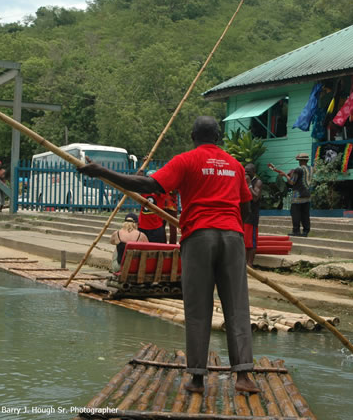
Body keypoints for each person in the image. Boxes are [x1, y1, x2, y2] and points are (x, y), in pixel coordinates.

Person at [78, 116, 260, 394]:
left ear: (192, 136)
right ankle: (244, 377)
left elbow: (148, 185)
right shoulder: (235, 165)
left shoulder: (185, 160)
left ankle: (198, 378)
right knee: (237, 308)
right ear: (219, 137)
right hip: (233, 237)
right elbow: (246, 208)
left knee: (198, 309)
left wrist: (101, 171)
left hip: (199, 237)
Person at [269, 153, 313, 237]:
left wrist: (285, 175)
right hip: (307, 195)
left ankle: (296, 231)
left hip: (298, 196)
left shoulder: (298, 169)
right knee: (305, 214)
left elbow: (292, 182)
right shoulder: (311, 169)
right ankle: (306, 231)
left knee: (295, 213)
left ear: (300, 161)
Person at [138, 170, 167, 244]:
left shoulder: (161, 192)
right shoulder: (143, 191)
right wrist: (139, 176)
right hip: (142, 226)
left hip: (156, 228)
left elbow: (158, 191)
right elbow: (135, 185)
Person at [244, 163, 262, 266]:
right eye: (245, 171)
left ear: (253, 172)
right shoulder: (243, 181)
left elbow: (255, 198)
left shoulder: (257, 182)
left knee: (251, 242)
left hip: (252, 216)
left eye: (248, 172)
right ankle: (244, 263)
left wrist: (249, 184)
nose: (246, 173)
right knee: (245, 242)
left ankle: (250, 264)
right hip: (244, 215)